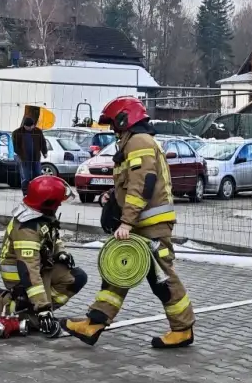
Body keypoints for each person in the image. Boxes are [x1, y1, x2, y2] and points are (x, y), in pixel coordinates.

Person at [65, 96, 194, 349]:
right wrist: (113, 198)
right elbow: (132, 183)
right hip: (142, 223)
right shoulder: (134, 142)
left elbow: (142, 184)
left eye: (114, 124)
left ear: (125, 118)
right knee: (118, 271)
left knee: (162, 279)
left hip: (150, 225)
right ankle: (94, 323)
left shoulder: (138, 141)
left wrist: (126, 222)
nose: (113, 129)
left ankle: (183, 329)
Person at [0, 173, 86, 337]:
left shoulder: (42, 215)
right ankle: (1, 301)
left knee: (76, 278)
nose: (59, 205)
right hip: (20, 275)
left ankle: (36, 314)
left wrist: (60, 252)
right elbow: (29, 271)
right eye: (58, 203)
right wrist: (43, 308)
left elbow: (53, 238)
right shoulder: (27, 229)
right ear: (48, 203)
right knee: (36, 309)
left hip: (41, 268)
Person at [11, 105, 50, 189]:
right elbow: (14, 146)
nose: (31, 128)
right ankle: (26, 193)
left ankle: (36, 191)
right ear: (25, 126)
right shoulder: (17, 133)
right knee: (26, 177)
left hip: (35, 158)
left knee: (37, 175)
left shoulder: (38, 131)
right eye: (29, 126)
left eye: (33, 126)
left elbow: (42, 142)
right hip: (24, 158)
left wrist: (45, 152)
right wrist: (20, 155)